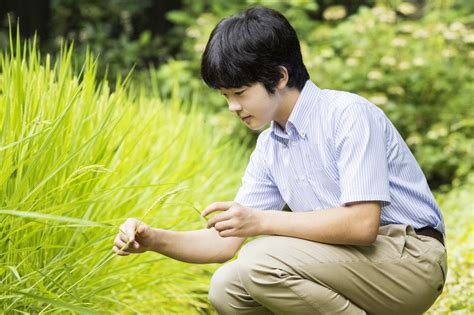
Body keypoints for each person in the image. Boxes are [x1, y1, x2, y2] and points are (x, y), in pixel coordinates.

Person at [113, 6, 447, 315]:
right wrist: (153, 239)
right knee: (226, 288)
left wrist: (261, 222)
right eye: (225, 96)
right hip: (352, 263)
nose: (232, 107)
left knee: (259, 259)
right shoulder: (270, 147)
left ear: (280, 77)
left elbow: (361, 225)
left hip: (410, 259)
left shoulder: (347, 115)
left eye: (240, 93)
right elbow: (223, 242)